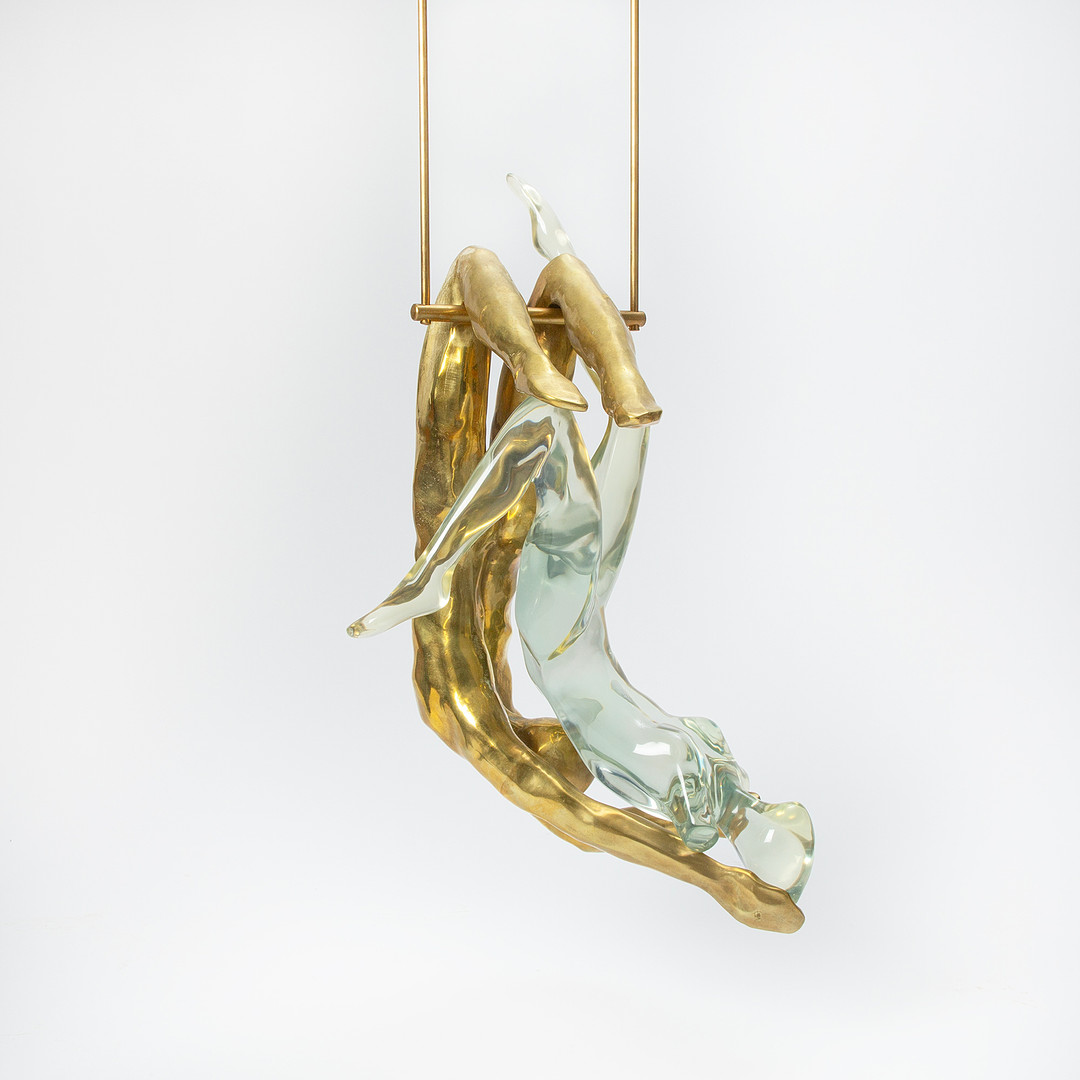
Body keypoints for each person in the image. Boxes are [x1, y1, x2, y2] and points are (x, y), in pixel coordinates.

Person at [349, 185, 813, 900]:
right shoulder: (708, 783)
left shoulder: (699, 789)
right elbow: (602, 781)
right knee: (596, 426)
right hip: (581, 621)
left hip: (568, 627)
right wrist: (720, 853)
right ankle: (598, 360)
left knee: (560, 413)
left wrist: (719, 881)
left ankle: (437, 567)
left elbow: (603, 804)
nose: (758, 808)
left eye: (768, 824)